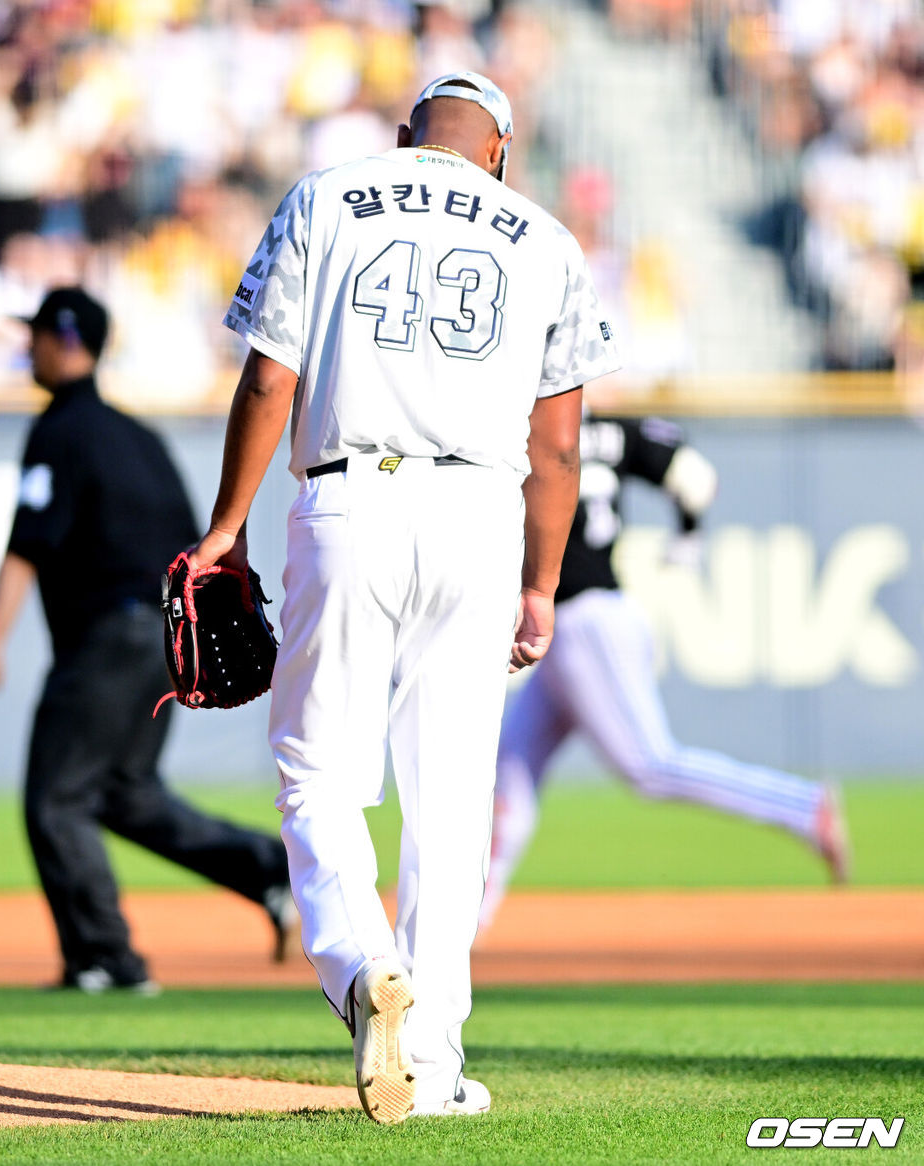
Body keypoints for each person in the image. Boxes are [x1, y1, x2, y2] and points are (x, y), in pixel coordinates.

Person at [189, 71, 620, 1121]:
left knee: (317, 773)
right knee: (450, 797)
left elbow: (268, 379)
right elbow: (558, 443)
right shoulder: (546, 237)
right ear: (500, 152)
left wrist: (226, 528)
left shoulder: (329, 193)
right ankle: (428, 1061)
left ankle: (360, 966)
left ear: (402, 136)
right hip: (479, 511)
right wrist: (542, 581)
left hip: (349, 497)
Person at [0, 286, 297, 994]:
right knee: (123, 792)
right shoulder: (137, 436)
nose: (30, 349)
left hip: (109, 639)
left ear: (64, 339)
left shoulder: (59, 429)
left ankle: (106, 960)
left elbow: (30, 543)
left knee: (56, 799)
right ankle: (265, 869)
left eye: (36, 337)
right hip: (163, 641)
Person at [479, 410, 851, 930]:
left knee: (651, 764)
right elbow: (697, 480)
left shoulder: (510, 426)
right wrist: (690, 535)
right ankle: (468, 920)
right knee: (511, 772)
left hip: (585, 623)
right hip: (581, 621)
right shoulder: (614, 429)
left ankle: (804, 805)